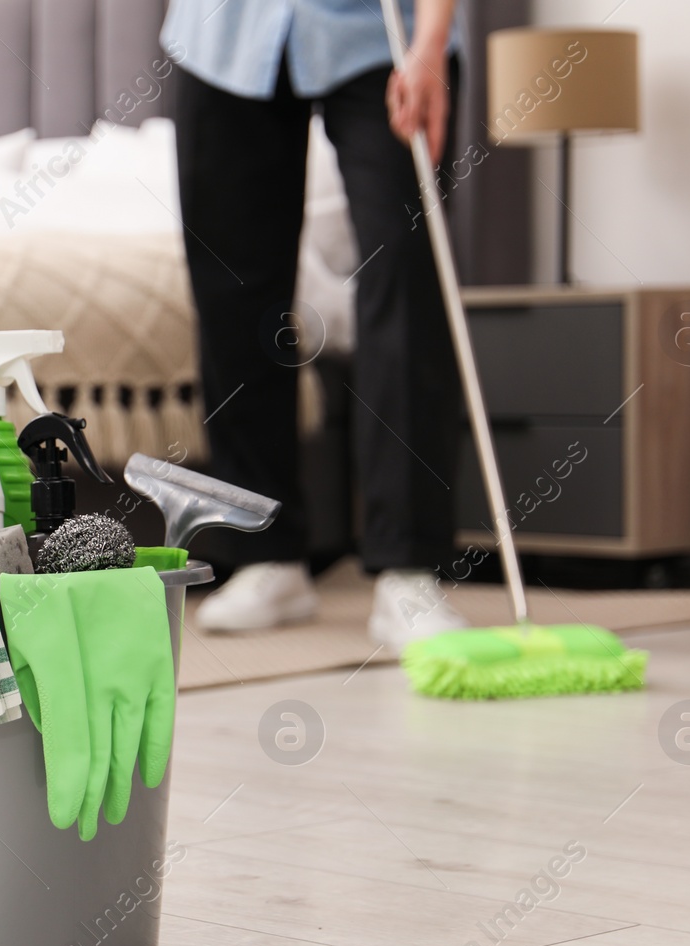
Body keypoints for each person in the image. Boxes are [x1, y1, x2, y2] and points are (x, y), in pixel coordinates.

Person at [163, 0, 471, 647]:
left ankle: (408, 570)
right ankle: (265, 553)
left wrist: (432, 42)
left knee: (405, 271)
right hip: (227, 33)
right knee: (234, 288)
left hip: (385, 33)